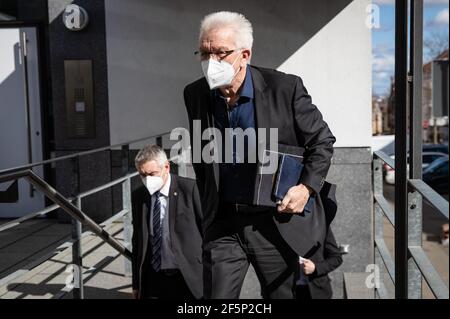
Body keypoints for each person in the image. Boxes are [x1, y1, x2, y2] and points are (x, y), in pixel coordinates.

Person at [183, 11, 336, 299]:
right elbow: (203, 159)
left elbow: (322, 142)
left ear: (245, 54)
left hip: (275, 222)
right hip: (224, 222)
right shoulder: (195, 94)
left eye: (220, 53)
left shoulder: (285, 88)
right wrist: (208, 211)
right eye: (204, 53)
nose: (210, 63)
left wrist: (306, 188)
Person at [131, 145, 203, 299]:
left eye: (152, 173)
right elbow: (137, 241)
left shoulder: (190, 190)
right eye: (142, 175)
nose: (148, 179)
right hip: (153, 279)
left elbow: (208, 233)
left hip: (187, 277)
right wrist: (136, 284)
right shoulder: (139, 196)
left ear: (166, 167)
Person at [296, 228, 343, 299]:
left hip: (317, 291)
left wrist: (315, 268)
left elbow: (336, 257)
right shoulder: (279, 227)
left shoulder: (321, 225)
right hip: (286, 290)